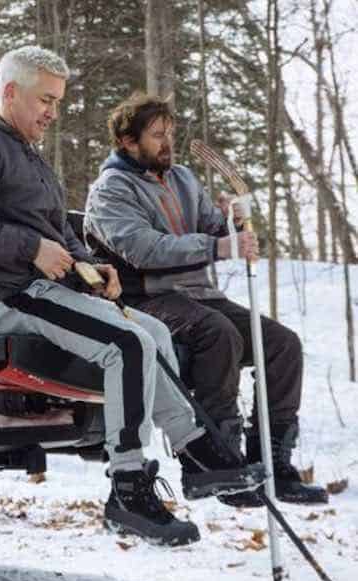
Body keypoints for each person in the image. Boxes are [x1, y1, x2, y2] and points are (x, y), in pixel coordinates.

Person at [0, 46, 265, 546]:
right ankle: (128, 489)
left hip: (39, 288)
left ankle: (195, 451)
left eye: (58, 102)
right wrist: (32, 249)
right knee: (126, 344)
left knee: (150, 331)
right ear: (9, 92)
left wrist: (92, 267)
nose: (52, 112)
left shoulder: (26, 152)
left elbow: (52, 231)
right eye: (45, 99)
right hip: (2, 295)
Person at [83, 92, 327, 506]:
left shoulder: (182, 179)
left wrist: (230, 224)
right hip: (145, 299)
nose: (167, 143)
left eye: (170, 134)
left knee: (283, 345)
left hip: (200, 295)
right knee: (218, 334)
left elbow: (214, 230)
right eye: (157, 135)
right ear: (127, 141)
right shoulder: (110, 191)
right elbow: (144, 249)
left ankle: (274, 462)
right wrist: (218, 248)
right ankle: (216, 463)